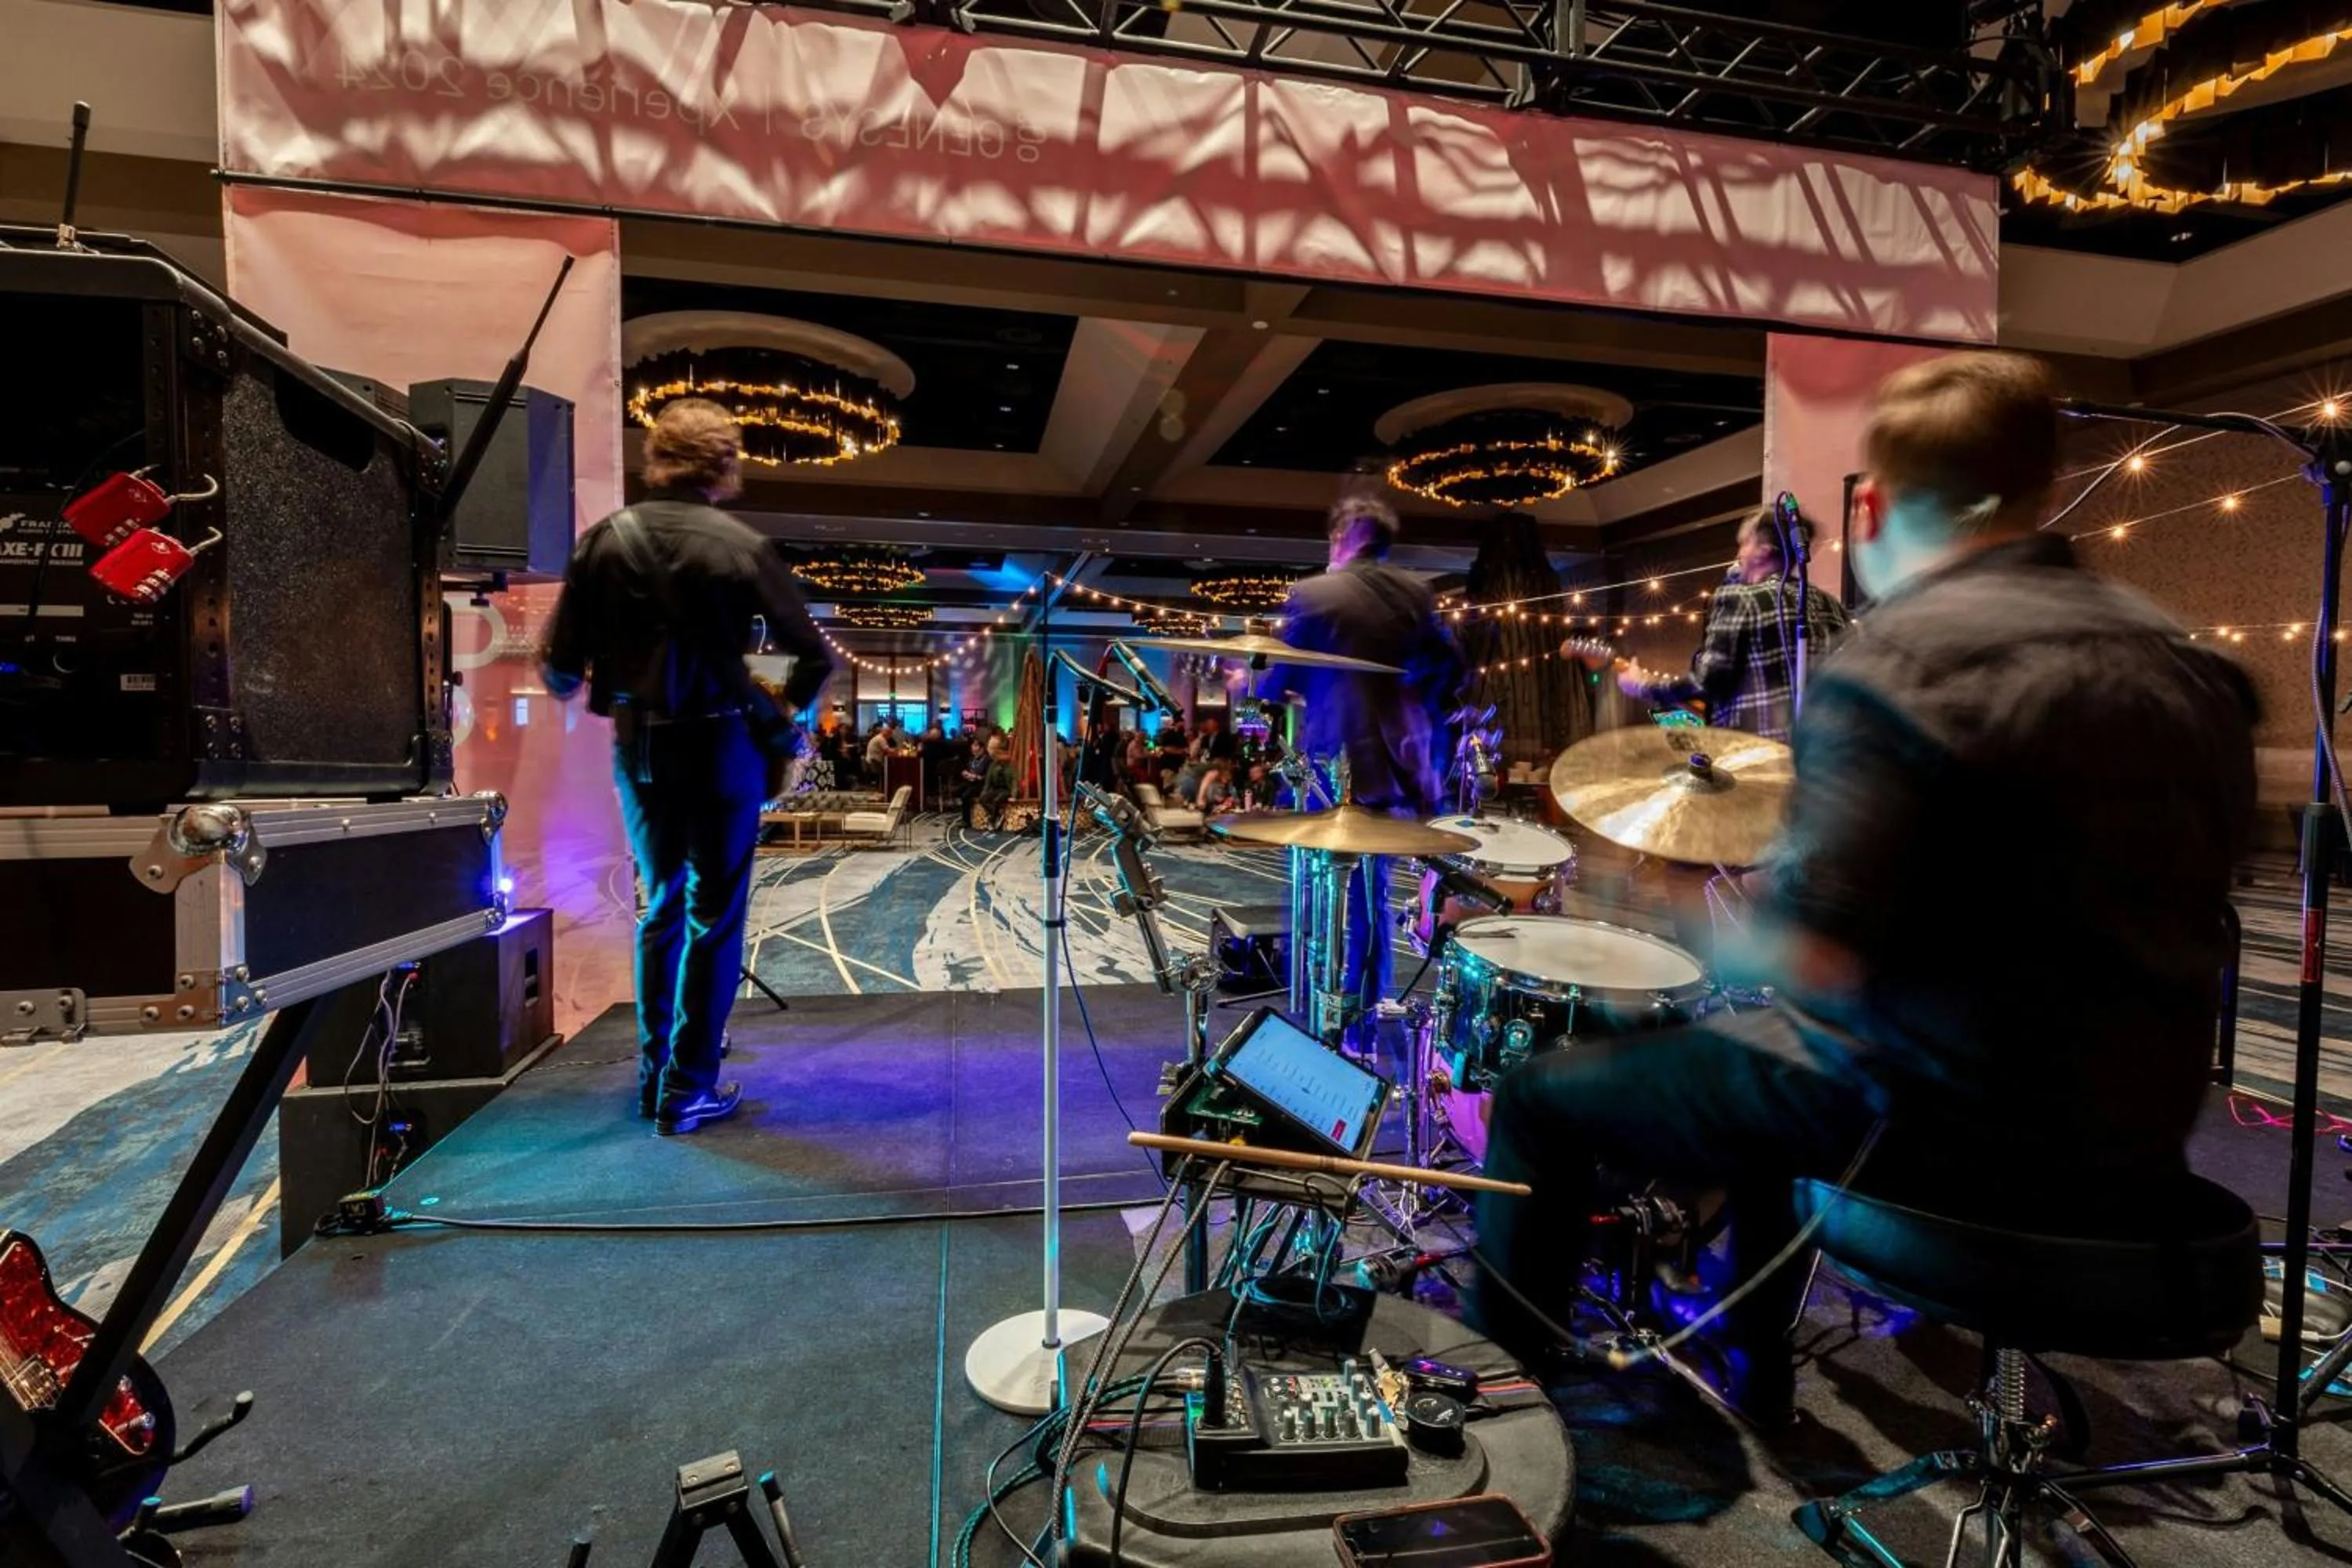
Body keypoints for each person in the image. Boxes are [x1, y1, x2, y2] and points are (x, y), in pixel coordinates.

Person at [1472, 353, 2257, 1423]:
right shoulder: (2184, 660)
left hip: (1945, 1140)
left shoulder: (1902, 660)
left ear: (1876, 505)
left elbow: (1810, 957)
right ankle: (1754, 1373)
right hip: (2140, 1143)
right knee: (1764, 1056)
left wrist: (1650, 892)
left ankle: (1499, 1411)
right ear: (2038, 484)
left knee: (1542, 1095)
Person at [542, 397, 833, 1136]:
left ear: (656, 458)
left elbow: (559, 668)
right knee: (715, 914)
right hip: (722, 744)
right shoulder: (738, 545)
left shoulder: (606, 540)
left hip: (639, 745)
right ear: (726, 465)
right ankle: (688, 1085)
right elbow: (813, 655)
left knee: (661, 904)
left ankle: (653, 1081)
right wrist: (780, 712)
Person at [1276, 491, 1466, 1038]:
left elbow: (1281, 678)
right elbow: (1450, 670)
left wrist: (1261, 681)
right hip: (1394, 767)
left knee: (1315, 889)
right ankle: (1360, 1022)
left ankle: (1314, 1013)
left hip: (1330, 764)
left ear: (1343, 535)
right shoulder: (1415, 592)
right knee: (1369, 899)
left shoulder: (1315, 591)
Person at [1614, 507, 1852, 743]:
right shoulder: (1832, 605)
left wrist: (1643, 685)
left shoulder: (1739, 598)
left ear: (1764, 550)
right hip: (1824, 754)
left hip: (1760, 756)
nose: (1739, 554)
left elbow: (1706, 682)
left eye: (1745, 544)